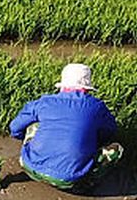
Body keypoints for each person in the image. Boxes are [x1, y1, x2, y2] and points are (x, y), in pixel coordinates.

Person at [8, 62, 123, 192]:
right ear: (86, 87)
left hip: (30, 166)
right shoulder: (97, 107)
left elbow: (15, 128)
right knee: (117, 149)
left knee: (34, 124)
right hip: (70, 180)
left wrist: (24, 138)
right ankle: (89, 181)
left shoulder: (44, 102)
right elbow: (111, 131)